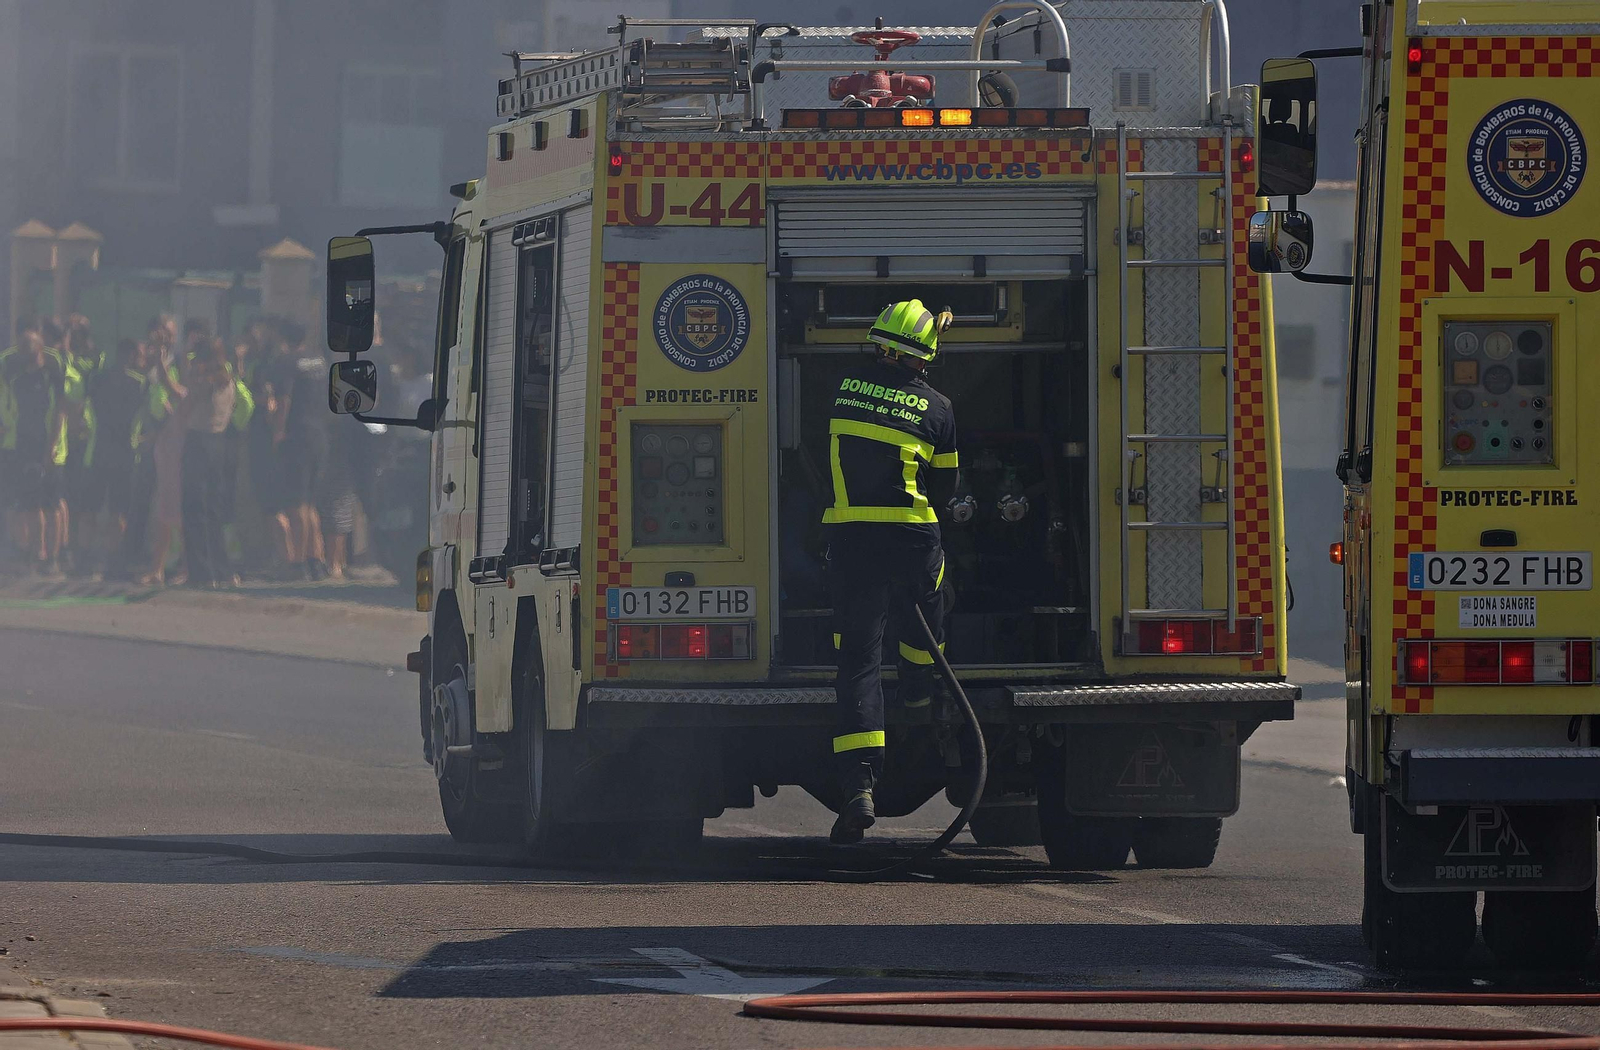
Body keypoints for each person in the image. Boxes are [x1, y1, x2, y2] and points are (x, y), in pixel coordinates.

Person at [823, 299, 958, 844]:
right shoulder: (939, 408)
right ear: (923, 357)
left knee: (858, 656)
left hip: (852, 537)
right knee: (925, 634)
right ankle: (921, 706)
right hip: (912, 538)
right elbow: (946, 491)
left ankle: (858, 786)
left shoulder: (844, 391)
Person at [168, 337, 237, 588]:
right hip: (220, 443)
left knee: (194, 509)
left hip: (199, 442)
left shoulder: (205, 385)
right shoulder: (228, 383)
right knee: (215, 511)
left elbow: (183, 409)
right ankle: (224, 570)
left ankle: (201, 573)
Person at [0, 329, 70, 575]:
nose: (24, 352)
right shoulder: (17, 378)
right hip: (24, 446)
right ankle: (35, 554)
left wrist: (50, 448)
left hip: (50, 447)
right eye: (21, 347)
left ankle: (54, 558)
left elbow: (60, 411)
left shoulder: (52, 376)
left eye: (29, 346)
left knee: (52, 505)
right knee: (31, 504)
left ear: (40, 348)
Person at [89, 338, 154, 576]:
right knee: (119, 510)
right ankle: (115, 562)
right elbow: (149, 415)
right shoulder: (140, 383)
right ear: (129, 355)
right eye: (140, 354)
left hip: (100, 448)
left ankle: (89, 559)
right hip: (126, 452)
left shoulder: (98, 379)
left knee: (94, 507)